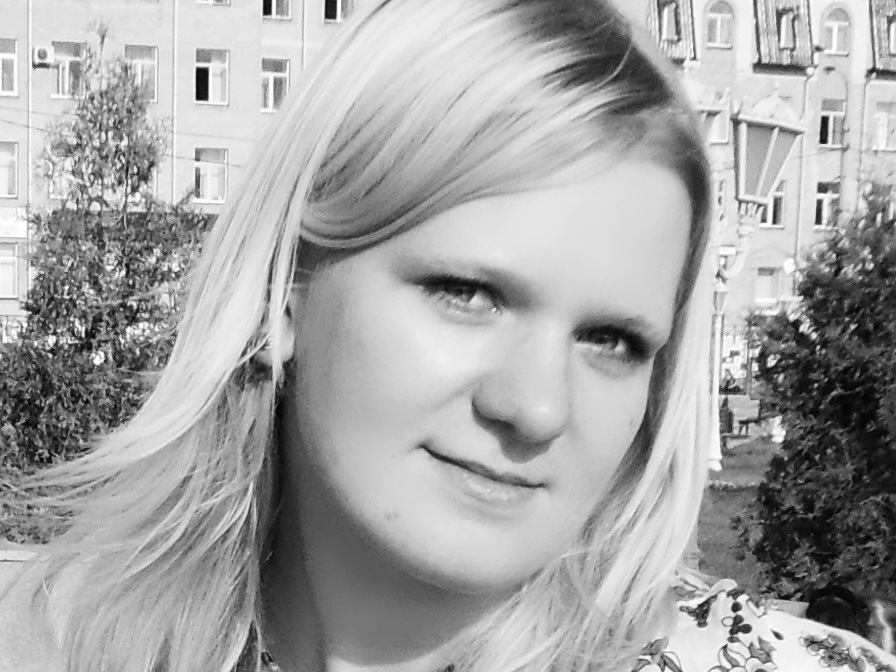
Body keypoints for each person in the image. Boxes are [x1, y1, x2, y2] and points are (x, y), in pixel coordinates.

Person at [0, 1, 894, 671]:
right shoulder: (66, 644)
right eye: (468, 294)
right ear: (283, 291)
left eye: (612, 340)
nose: (536, 408)